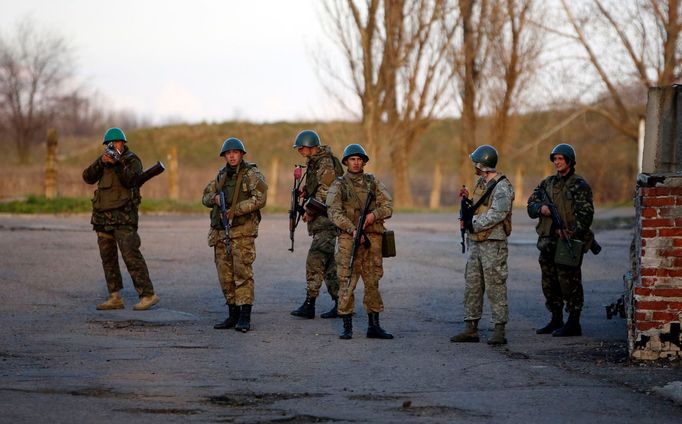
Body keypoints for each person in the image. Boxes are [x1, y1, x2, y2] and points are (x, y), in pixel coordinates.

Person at [82, 127, 159, 311]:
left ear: (123, 143)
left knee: (131, 255)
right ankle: (114, 296)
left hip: (124, 217)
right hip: (103, 217)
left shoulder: (132, 160)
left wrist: (117, 163)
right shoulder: (104, 160)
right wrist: (102, 162)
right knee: (107, 258)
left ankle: (148, 295)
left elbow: (130, 180)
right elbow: (87, 177)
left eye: (116, 142)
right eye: (110, 143)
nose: (113, 146)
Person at [326, 143, 394, 340]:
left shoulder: (373, 182)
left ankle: (374, 326)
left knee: (372, 280)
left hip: (373, 238)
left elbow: (388, 206)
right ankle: (347, 325)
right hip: (350, 239)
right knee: (347, 279)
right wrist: (352, 228)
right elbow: (333, 212)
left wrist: (373, 216)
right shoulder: (339, 184)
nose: (356, 163)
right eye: (352, 159)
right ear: (346, 162)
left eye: (359, 159)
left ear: (363, 162)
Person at [527, 143, 594, 337]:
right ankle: (556, 319)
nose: (557, 162)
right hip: (548, 242)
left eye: (560, 159)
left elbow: (586, 214)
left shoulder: (579, 185)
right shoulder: (547, 184)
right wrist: (541, 209)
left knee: (570, 282)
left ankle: (574, 323)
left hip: (567, 242)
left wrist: (572, 231)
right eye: (555, 159)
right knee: (549, 283)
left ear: (570, 161)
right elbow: (531, 204)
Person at [202, 137, 267, 333]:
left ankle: (245, 316)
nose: (231, 156)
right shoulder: (220, 176)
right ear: (224, 156)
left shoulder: (252, 174)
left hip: (242, 232)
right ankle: (233, 314)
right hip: (221, 233)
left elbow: (260, 199)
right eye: (228, 154)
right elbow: (204, 197)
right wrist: (213, 199)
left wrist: (235, 210)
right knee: (225, 276)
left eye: (235, 153)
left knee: (242, 274)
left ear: (241, 154)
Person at [451, 145, 514, 345]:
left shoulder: (503, 187)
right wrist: (467, 202)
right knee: (473, 285)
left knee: (495, 285)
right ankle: (470, 328)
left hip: (493, 243)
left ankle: (499, 329)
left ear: (482, 164)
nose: (473, 166)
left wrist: (473, 224)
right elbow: (480, 206)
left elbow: (498, 213)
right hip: (476, 242)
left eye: (475, 163)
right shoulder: (480, 183)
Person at [290, 130, 343, 319]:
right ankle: (341, 303)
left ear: (310, 146)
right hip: (324, 221)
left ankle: (310, 304)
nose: (300, 151)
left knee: (314, 260)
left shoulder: (325, 162)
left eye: (301, 148)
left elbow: (328, 191)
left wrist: (311, 211)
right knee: (329, 265)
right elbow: (320, 186)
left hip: (327, 221)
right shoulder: (316, 162)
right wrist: (306, 190)